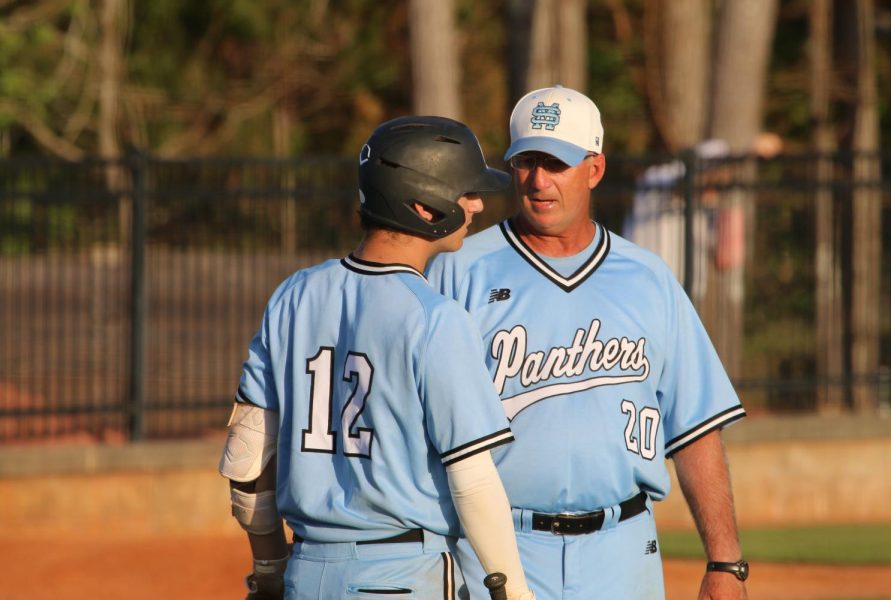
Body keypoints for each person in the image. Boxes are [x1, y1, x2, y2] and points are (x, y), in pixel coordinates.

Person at [426, 86, 749, 599]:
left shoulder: (647, 277)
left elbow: (696, 428)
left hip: (622, 552)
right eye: (526, 161)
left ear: (594, 169)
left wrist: (725, 561)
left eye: (556, 163)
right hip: (497, 552)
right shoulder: (459, 271)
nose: (538, 180)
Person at [219, 116, 536, 600]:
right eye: (465, 192)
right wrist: (515, 593)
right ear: (424, 205)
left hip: (307, 573)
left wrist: (268, 569)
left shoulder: (293, 295)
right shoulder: (435, 318)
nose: (476, 205)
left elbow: (246, 455)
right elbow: (472, 480)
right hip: (403, 576)